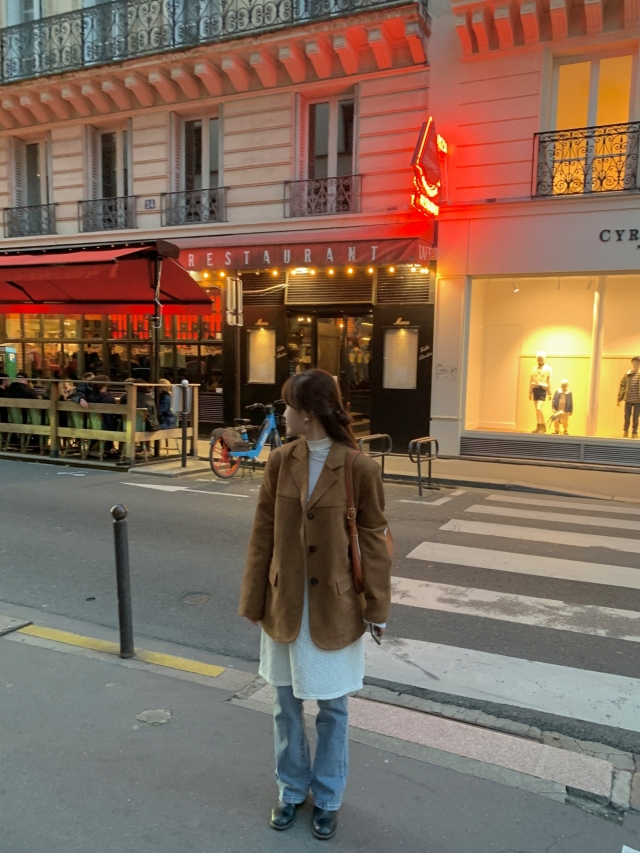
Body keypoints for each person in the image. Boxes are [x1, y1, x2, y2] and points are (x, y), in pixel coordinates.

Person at [238, 369, 392, 841]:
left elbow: (374, 541)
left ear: (307, 413)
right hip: (285, 604)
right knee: (285, 704)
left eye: (288, 406)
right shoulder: (281, 460)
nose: (282, 413)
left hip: (334, 609)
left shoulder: (358, 468)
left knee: (332, 709)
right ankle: (290, 790)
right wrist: (253, 599)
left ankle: (327, 798)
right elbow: (263, 533)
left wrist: (377, 608)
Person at [617, 356, 640, 438]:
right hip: (628, 399)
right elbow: (622, 386)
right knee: (627, 416)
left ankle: (634, 433)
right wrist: (619, 399)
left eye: (637, 362)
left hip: (638, 400)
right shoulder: (627, 374)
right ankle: (625, 431)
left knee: (636, 417)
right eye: (634, 362)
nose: (635, 364)